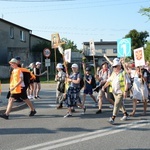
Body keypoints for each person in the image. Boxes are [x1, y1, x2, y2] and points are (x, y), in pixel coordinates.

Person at [102, 58, 130, 124]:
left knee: (116, 104)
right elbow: (109, 81)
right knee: (120, 104)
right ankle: (126, 114)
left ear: (119, 66)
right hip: (114, 92)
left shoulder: (123, 73)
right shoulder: (113, 73)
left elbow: (127, 83)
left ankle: (113, 118)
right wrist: (104, 86)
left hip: (121, 92)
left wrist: (125, 91)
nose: (114, 68)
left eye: (115, 66)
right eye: (113, 67)